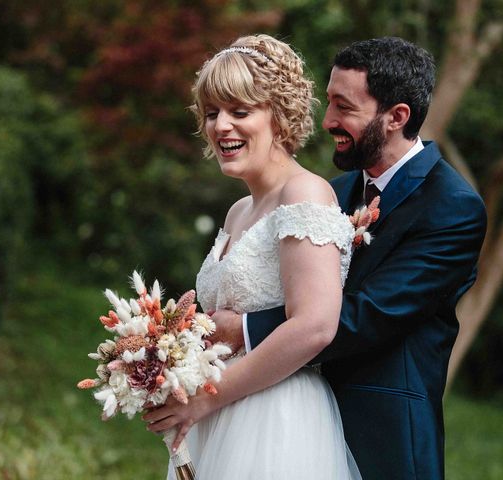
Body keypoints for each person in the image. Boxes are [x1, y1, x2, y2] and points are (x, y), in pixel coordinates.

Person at [207, 37, 488, 479]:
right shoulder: (334, 193)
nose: (328, 120)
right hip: (286, 414)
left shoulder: (452, 206)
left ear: (396, 117)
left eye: (344, 107)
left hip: (382, 430)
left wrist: (243, 328)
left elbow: (369, 313)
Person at [143, 34, 362, 479]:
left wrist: (209, 395)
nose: (222, 125)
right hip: (217, 416)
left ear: (278, 117)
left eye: (240, 112)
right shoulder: (239, 210)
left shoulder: (306, 193)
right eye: (211, 113)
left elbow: (315, 326)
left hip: (275, 418)